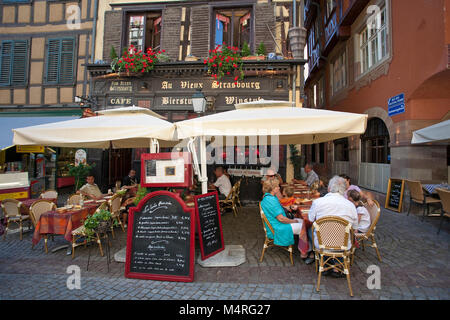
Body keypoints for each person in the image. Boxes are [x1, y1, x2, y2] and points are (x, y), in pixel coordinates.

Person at [308, 175, 358, 277]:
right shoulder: (350, 205)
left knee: (311, 229)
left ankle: (324, 264)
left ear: (329, 188)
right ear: (344, 190)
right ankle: (337, 266)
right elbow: (355, 228)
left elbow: (310, 219)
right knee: (341, 235)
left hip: (322, 244)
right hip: (343, 244)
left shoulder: (318, 202)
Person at [260, 179, 303, 248]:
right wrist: (294, 221)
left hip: (277, 224)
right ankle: (305, 252)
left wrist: (289, 207)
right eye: (277, 186)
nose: (279, 188)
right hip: (278, 228)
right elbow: (281, 219)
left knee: (303, 222)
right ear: (273, 189)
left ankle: (303, 248)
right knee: (305, 226)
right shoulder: (271, 200)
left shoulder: (269, 197)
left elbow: (278, 209)